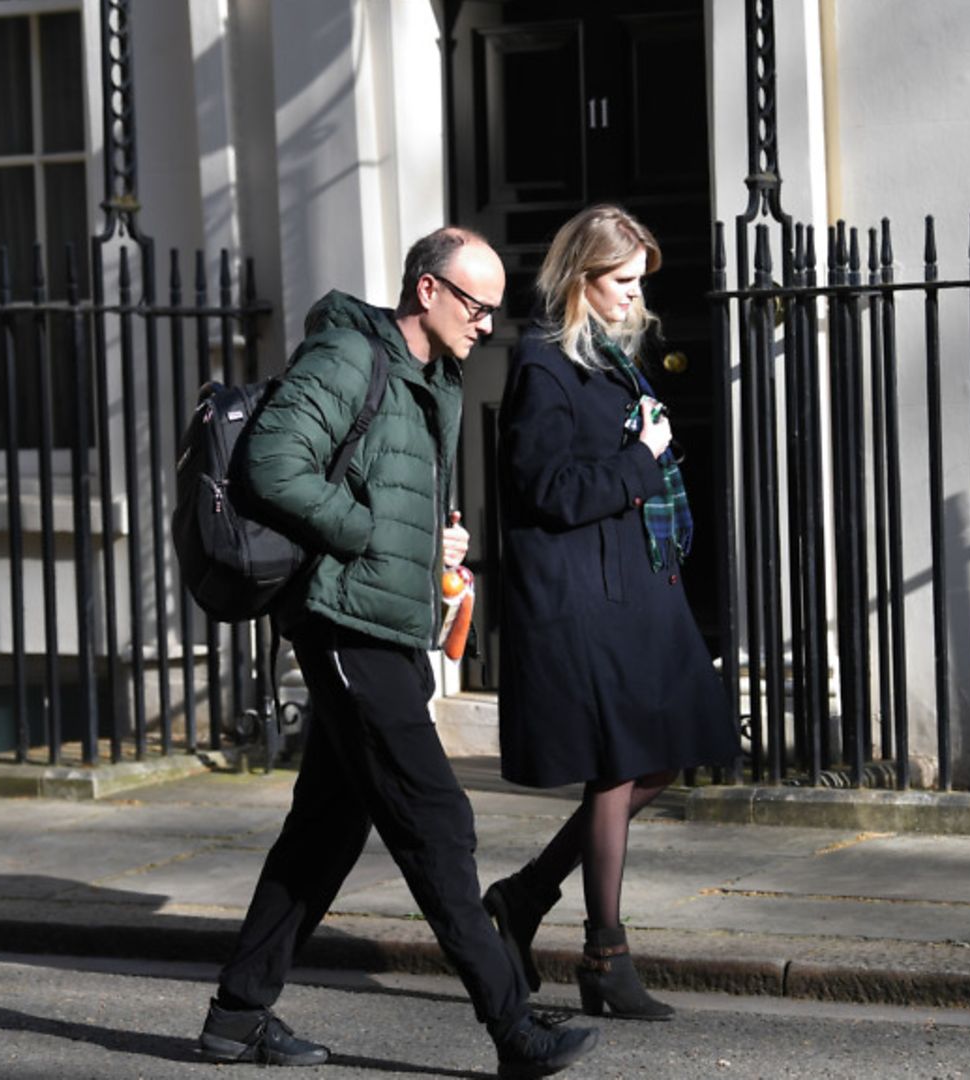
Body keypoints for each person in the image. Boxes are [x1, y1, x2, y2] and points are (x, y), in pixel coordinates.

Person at [197, 226, 600, 1079]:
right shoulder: (347, 354)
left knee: (322, 835)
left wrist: (430, 552)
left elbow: (380, 483)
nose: (487, 324)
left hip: (385, 626)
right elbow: (273, 464)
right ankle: (513, 1030)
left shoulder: (434, 378)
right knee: (437, 823)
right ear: (428, 290)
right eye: (476, 305)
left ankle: (236, 1018)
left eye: (493, 310)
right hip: (345, 630)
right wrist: (372, 535)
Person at [484, 204, 739, 1021]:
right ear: (580, 279)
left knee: (662, 756)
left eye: (637, 283)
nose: (634, 296)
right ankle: (605, 955)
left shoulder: (609, 359)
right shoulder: (541, 366)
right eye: (622, 282)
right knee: (620, 762)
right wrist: (642, 457)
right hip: (581, 596)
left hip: (636, 586)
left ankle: (524, 896)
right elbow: (546, 490)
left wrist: (642, 448)